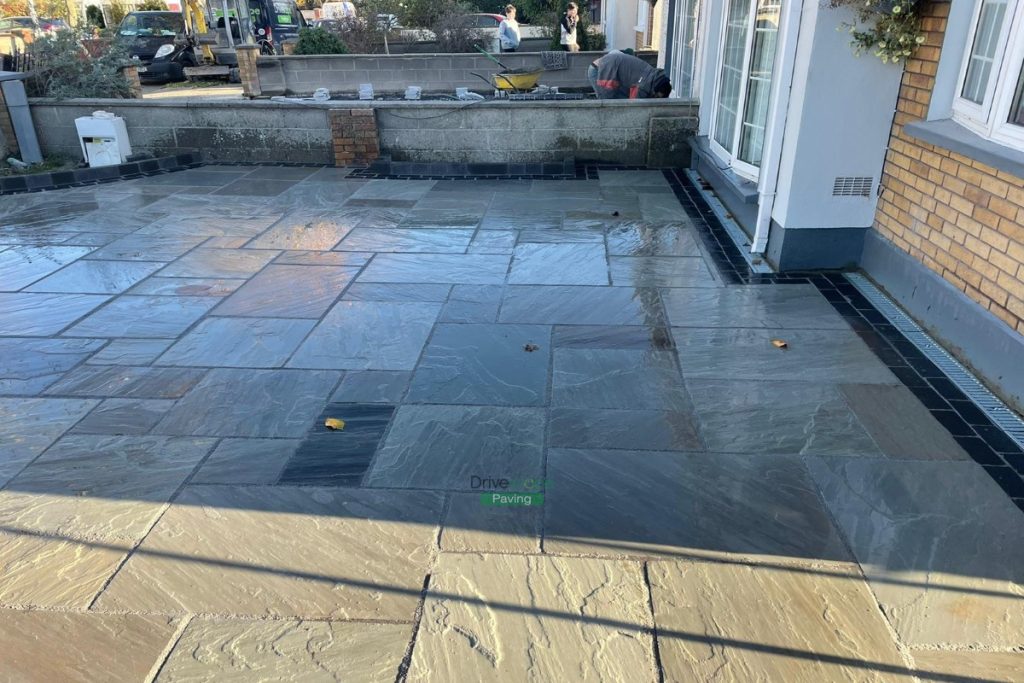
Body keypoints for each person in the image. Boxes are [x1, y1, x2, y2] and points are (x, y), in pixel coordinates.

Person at [588, 49, 673, 99]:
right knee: (609, 104)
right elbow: (634, 105)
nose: (655, 98)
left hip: (602, 67)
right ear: (656, 89)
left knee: (619, 100)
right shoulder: (645, 83)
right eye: (657, 96)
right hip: (597, 70)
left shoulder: (651, 74)